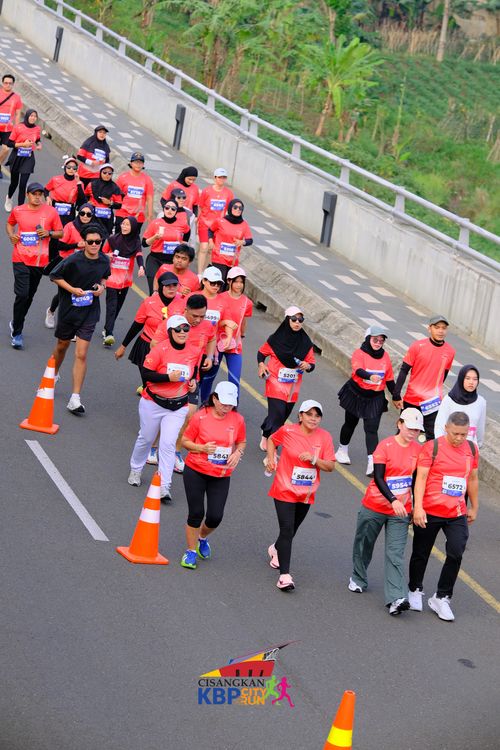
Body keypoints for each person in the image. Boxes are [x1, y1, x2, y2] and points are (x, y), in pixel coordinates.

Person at [348, 408, 424, 615]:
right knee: (364, 544)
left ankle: (396, 597)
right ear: (399, 424)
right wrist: (393, 500)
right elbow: (379, 477)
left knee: (395, 554)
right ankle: (358, 578)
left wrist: (416, 505)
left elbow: (417, 480)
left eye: (417, 430)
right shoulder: (385, 446)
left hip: (400, 512)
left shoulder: (419, 451)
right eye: (410, 428)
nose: (413, 433)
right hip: (375, 506)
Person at [408, 411, 479, 622]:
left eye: (463, 434)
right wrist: (418, 507)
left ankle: (442, 597)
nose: (459, 438)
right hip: (430, 510)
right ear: (446, 428)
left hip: (456, 512)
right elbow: (421, 478)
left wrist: (474, 507)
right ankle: (415, 589)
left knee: (456, 552)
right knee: (421, 552)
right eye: (455, 433)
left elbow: (473, 479)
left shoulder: (472, 449)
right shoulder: (433, 447)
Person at [127, 314, 200, 501]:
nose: (183, 332)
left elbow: (194, 372)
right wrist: (168, 378)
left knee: (168, 444)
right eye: (178, 329)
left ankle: (164, 485)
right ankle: (136, 469)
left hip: (178, 406)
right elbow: (146, 374)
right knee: (146, 438)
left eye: (186, 329)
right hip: (153, 403)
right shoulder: (159, 350)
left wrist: (193, 383)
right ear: (170, 332)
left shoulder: (194, 351)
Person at [265, 399, 335, 591]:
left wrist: (314, 459)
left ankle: (276, 548)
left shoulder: (325, 437)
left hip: (306, 493)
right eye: (309, 414)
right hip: (284, 489)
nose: (313, 419)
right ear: (300, 416)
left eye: (317, 415)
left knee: (292, 529)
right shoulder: (288, 431)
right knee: (287, 529)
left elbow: (330, 466)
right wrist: (271, 458)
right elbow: (272, 440)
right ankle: (284, 576)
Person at [180, 381, 246, 569]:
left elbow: (241, 441)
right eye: (223, 403)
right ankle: (190, 551)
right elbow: (185, 441)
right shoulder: (200, 417)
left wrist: (238, 453)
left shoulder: (238, 420)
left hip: (221, 474)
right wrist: (201, 448)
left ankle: (201, 537)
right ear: (214, 399)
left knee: (215, 516)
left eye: (230, 404)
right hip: (196, 470)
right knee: (196, 513)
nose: (227, 407)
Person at [151, 293, 216, 473]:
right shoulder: (173, 323)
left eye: (202, 316)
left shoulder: (206, 325)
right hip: (169, 378)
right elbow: (154, 344)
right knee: (166, 413)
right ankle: (153, 447)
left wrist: (210, 356)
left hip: (192, 378)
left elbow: (212, 338)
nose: (198, 320)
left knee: (189, 415)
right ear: (186, 310)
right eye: (195, 316)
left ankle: (176, 451)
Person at [49, 225, 110, 415]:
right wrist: (72, 290)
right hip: (69, 310)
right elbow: (54, 276)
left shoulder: (104, 260)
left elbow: (104, 278)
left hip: (90, 312)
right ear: (84, 242)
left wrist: (102, 288)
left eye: (98, 242)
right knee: (62, 345)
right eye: (90, 242)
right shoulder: (73, 260)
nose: (94, 245)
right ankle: (52, 376)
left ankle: (75, 398)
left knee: (81, 354)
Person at [6, 182, 62, 349]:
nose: (37, 197)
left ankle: (16, 321)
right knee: (22, 294)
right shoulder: (18, 210)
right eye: (34, 194)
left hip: (39, 261)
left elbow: (60, 233)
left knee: (29, 296)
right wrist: (11, 235)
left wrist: (48, 233)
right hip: (20, 257)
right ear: (27, 195)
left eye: (40, 194)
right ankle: (17, 332)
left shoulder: (51, 212)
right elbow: (10, 224)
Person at [336, 325, 395, 476]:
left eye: (381, 341)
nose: (378, 343)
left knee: (371, 429)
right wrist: (370, 376)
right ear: (368, 339)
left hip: (375, 397)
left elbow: (389, 379)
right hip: (356, 394)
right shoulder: (359, 353)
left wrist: (396, 396)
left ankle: (372, 463)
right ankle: (342, 449)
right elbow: (358, 370)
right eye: (375, 340)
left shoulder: (385, 357)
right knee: (350, 423)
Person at [257, 306, 315, 451]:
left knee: (282, 415)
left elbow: (312, 363)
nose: (297, 322)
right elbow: (261, 353)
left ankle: (266, 432)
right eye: (294, 319)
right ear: (287, 320)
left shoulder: (306, 342)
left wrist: (307, 365)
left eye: (300, 320)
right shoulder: (275, 339)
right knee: (278, 414)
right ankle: (272, 452)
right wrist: (261, 364)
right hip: (275, 381)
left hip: (293, 386)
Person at [114, 271, 185, 388]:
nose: (172, 288)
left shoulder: (183, 303)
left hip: (170, 348)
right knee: (148, 383)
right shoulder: (149, 302)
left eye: (174, 285)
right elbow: (137, 325)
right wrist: (123, 346)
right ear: (161, 286)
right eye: (168, 285)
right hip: (147, 346)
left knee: (166, 385)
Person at [392, 315, 456, 441]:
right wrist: (396, 394)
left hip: (432, 403)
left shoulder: (450, 351)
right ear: (429, 329)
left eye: (443, 328)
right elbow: (404, 370)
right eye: (437, 327)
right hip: (412, 399)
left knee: (431, 439)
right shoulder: (417, 346)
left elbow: (443, 375)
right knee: (403, 434)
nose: (440, 331)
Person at [201, 266, 253, 398]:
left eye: (241, 282)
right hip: (216, 344)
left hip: (234, 345)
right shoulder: (220, 297)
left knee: (235, 379)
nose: (239, 285)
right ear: (229, 281)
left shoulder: (247, 302)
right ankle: (204, 403)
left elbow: (243, 321)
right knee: (209, 377)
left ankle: (233, 406)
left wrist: (241, 335)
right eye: (236, 281)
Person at [44, 203, 98, 328]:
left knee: (80, 292)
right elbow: (60, 246)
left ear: (92, 216)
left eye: (88, 214)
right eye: (82, 213)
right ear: (78, 213)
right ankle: (51, 311)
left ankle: (73, 324)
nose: (85, 216)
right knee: (64, 293)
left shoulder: (94, 230)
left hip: (84, 266)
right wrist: (76, 245)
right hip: (67, 264)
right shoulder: (70, 226)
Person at [102, 217, 144, 346]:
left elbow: (139, 254)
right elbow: (101, 253)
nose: (124, 227)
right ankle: (109, 333)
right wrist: (107, 255)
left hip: (125, 280)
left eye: (127, 225)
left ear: (133, 228)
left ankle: (107, 327)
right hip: (112, 278)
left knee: (118, 305)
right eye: (123, 224)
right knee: (112, 305)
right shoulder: (112, 239)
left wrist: (141, 266)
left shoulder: (136, 241)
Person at [142, 200, 189, 293]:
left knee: (168, 292)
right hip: (155, 260)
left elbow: (187, 231)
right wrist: (154, 237)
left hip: (172, 262)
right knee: (154, 292)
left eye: (173, 208)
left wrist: (184, 243)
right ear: (163, 209)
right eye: (167, 208)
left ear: (176, 211)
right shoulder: (155, 223)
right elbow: (144, 243)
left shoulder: (182, 224)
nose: (169, 210)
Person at [197, 267, 229, 402]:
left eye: (219, 284)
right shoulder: (194, 297)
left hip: (210, 348)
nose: (216, 286)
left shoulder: (223, 302)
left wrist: (228, 335)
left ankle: (203, 406)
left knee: (206, 380)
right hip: (193, 346)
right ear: (204, 281)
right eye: (212, 283)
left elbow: (225, 322)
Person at [434, 365, 486, 447]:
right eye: (467, 378)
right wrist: (441, 445)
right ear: (461, 379)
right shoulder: (449, 400)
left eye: (475, 379)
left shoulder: (481, 402)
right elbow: (439, 426)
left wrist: (477, 446)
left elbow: (480, 428)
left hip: (469, 448)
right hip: (449, 446)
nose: (471, 382)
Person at [197, 167, 234, 274]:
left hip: (218, 227)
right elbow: (200, 207)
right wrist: (197, 221)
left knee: (211, 249)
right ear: (215, 178)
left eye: (224, 177)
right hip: (205, 223)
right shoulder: (207, 191)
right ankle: (199, 273)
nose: (221, 179)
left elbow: (229, 210)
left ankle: (205, 273)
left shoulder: (228, 193)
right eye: (219, 177)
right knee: (204, 247)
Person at [5, 109, 41, 210]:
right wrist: (23, 144)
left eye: (35, 116)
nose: (33, 118)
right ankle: (9, 198)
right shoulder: (18, 127)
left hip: (28, 157)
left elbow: (38, 139)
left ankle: (20, 208)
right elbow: (9, 143)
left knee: (23, 184)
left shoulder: (37, 129)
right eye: (31, 116)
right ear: (27, 116)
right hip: (17, 156)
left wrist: (39, 144)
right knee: (14, 183)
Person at [208, 199, 253, 281]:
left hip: (233, 260)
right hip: (219, 257)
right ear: (230, 208)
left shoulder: (244, 225)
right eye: (235, 207)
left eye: (240, 208)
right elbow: (210, 230)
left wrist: (242, 242)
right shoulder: (220, 221)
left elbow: (250, 240)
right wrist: (211, 241)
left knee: (228, 284)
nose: (238, 209)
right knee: (219, 281)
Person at [115, 151, 154, 232]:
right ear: (131, 163)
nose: (138, 165)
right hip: (122, 213)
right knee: (119, 236)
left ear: (143, 165)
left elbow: (149, 198)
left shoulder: (147, 179)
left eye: (140, 163)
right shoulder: (123, 177)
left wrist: (150, 214)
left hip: (138, 216)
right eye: (136, 162)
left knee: (133, 237)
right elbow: (116, 195)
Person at [84, 163, 123, 235]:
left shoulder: (115, 188)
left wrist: (110, 202)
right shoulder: (92, 184)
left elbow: (119, 205)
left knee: (103, 238)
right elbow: (84, 196)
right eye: (104, 172)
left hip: (106, 219)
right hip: (92, 217)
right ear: (100, 172)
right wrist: (88, 202)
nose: (107, 175)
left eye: (109, 173)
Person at [45, 157, 84, 226]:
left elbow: (82, 199)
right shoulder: (55, 179)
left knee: (66, 230)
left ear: (76, 170)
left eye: (74, 168)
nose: (71, 169)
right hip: (55, 207)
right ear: (65, 167)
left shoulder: (79, 183)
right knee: (53, 228)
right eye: (69, 167)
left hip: (69, 211)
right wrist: (47, 197)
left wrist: (78, 183)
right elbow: (46, 190)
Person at [0, 73, 23, 179]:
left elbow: (18, 114)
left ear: (13, 84)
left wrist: (17, 129)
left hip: (8, 129)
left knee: (6, 149)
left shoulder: (16, 98)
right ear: (2, 83)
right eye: (6, 83)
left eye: (10, 83)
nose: (8, 85)